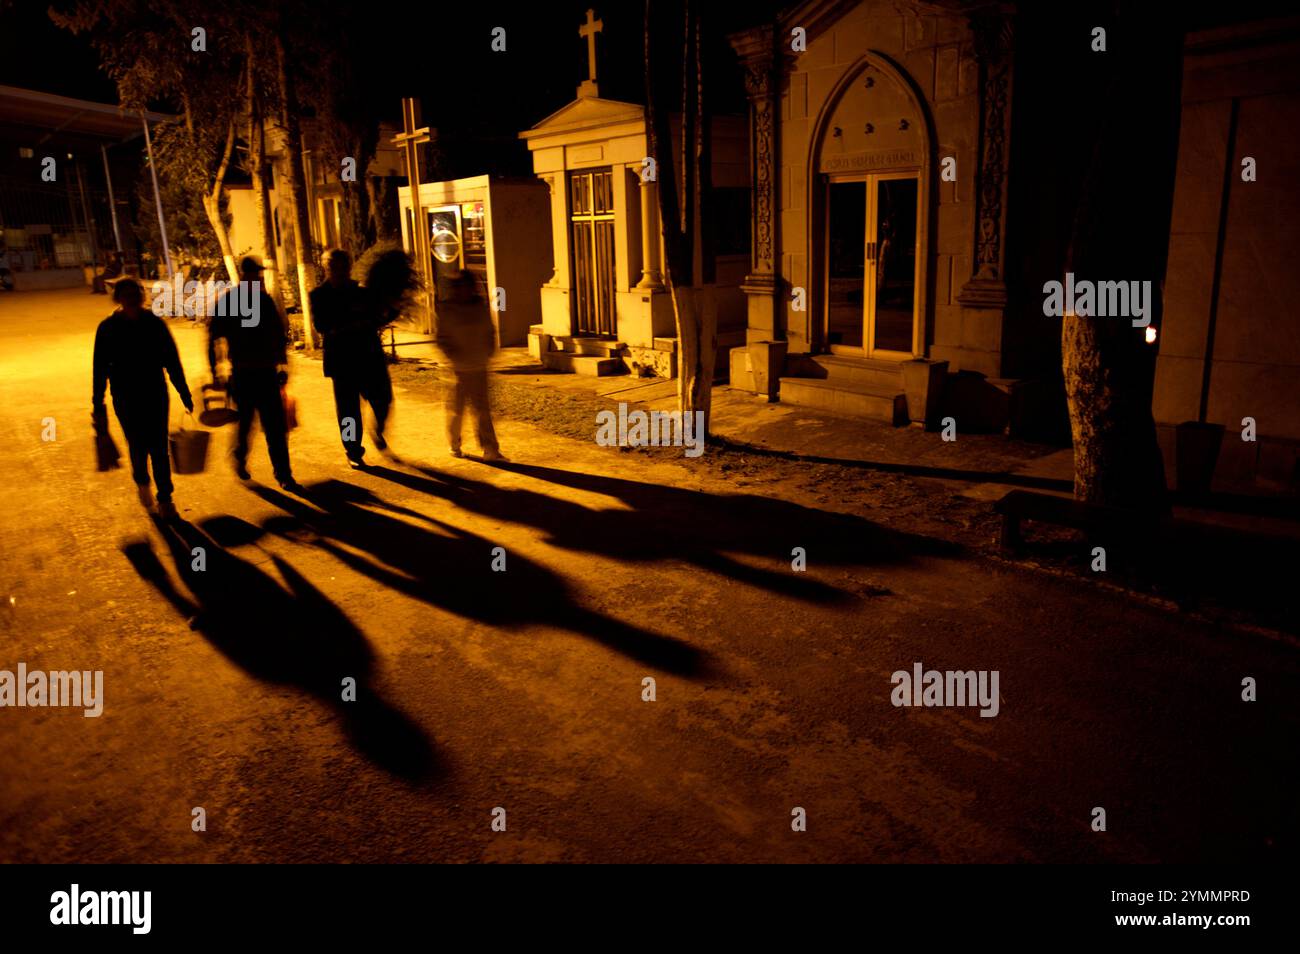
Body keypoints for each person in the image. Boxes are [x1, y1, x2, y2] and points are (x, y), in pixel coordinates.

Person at [92, 278, 194, 519]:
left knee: (159, 447)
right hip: (126, 397)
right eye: (126, 295)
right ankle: (142, 481)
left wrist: (184, 391)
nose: (131, 299)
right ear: (118, 298)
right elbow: (99, 368)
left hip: (155, 393)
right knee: (137, 445)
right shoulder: (107, 328)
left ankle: (165, 498)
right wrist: (98, 402)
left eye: (135, 293)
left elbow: (172, 360)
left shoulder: (154, 324)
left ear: (140, 297)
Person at [208, 256, 299, 490]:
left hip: (266, 372)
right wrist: (215, 371)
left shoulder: (264, 301)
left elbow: (277, 335)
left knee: (275, 427)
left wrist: (282, 364)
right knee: (246, 423)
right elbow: (214, 337)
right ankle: (239, 456)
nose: (258, 278)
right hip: (243, 373)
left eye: (258, 274)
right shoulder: (230, 301)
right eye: (254, 274)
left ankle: (283, 474)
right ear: (245, 275)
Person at [309, 249, 392, 466]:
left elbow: (377, 318)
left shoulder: (362, 291)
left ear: (349, 267)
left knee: (383, 399)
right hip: (342, 362)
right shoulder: (319, 296)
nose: (339, 271)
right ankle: (353, 451)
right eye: (333, 266)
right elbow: (321, 326)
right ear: (326, 268)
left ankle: (378, 429)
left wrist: (391, 309)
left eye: (343, 266)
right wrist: (350, 324)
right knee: (348, 413)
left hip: (369, 357)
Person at [435, 271, 504, 461]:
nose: (465, 290)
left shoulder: (480, 307)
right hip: (456, 369)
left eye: (468, 285)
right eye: (461, 286)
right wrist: (454, 355)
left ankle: (490, 449)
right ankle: (454, 443)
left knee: (482, 410)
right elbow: (441, 339)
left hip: (478, 366)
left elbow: (489, 331)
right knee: (456, 411)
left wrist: (488, 350)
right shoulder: (447, 309)